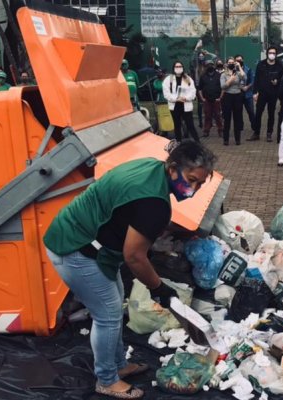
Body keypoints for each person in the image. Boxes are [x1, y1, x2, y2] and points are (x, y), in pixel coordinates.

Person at [43, 141, 216, 400]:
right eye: (191, 180)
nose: (193, 189)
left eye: (200, 184)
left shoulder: (151, 168)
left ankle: (117, 366)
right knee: (108, 315)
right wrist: (160, 289)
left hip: (86, 239)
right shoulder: (154, 204)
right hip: (74, 247)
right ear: (172, 169)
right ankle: (106, 380)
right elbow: (134, 257)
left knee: (115, 301)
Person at [250, 47, 283, 141]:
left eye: (273, 53)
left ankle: (269, 133)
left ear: (276, 54)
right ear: (267, 53)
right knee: (258, 113)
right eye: (270, 52)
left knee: (271, 114)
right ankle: (256, 133)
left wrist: (277, 82)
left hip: (273, 93)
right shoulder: (261, 64)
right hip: (262, 93)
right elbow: (256, 79)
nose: (272, 54)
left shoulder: (279, 65)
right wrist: (254, 92)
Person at [162, 61, 200, 143]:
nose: (178, 68)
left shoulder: (187, 78)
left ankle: (198, 142)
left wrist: (186, 98)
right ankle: (178, 142)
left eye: (180, 66)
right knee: (177, 125)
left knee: (190, 125)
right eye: (176, 66)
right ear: (173, 68)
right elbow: (166, 94)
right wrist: (176, 99)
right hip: (175, 106)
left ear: (183, 67)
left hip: (186, 105)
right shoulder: (169, 79)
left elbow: (193, 91)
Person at [221, 57, 247, 146]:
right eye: (229, 62)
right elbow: (223, 86)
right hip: (228, 96)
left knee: (237, 118)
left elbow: (244, 78)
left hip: (237, 96)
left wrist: (239, 67)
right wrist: (231, 79)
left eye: (233, 62)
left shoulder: (238, 73)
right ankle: (226, 139)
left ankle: (237, 139)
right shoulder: (223, 74)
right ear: (227, 64)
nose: (231, 64)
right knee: (227, 118)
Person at [198, 60, 223, 137]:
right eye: (208, 65)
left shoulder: (219, 75)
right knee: (207, 116)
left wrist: (220, 98)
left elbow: (223, 88)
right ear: (205, 66)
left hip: (216, 100)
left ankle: (220, 130)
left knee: (218, 115)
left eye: (211, 65)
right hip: (207, 100)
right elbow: (200, 89)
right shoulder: (202, 76)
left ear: (214, 66)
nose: (210, 66)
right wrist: (202, 98)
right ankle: (206, 130)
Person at [235, 54, 257, 132]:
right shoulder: (233, 70)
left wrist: (247, 87)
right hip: (238, 94)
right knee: (238, 112)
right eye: (237, 60)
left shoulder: (249, 69)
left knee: (251, 111)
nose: (239, 62)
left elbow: (253, 80)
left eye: (240, 60)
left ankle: (255, 127)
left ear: (243, 60)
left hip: (248, 94)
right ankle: (240, 127)